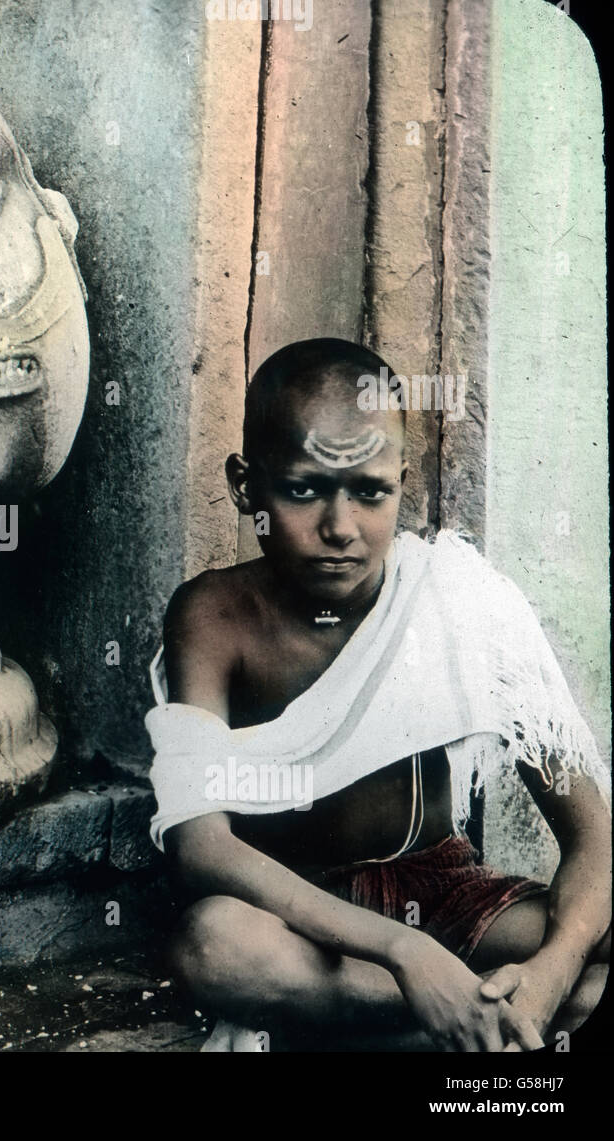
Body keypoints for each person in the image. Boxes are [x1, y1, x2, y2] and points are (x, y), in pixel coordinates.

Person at [148, 338, 610, 1051]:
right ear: (246, 484)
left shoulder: (458, 600)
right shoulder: (214, 615)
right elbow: (201, 847)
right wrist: (405, 954)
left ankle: (469, 1012)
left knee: (591, 929)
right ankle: (470, 1016)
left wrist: (552, 969)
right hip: (306, 915)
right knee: (213, 943)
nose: (340, 527)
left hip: (451, 894)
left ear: (403, 481)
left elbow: (592, 832)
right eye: (304, 489)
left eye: (370, 491)